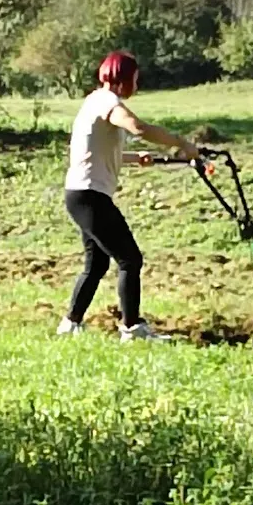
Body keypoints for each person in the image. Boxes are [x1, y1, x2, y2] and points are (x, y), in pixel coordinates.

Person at [57, 50, 199, 342]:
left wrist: (135, 158)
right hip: (90, 196)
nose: (137, 84)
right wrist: (182, 144)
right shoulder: (109, 101)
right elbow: (139, 128)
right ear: (122, 80)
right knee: (130, 259)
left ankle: (71, 324)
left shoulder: (94, 100)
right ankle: (132, 328)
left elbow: (96, 151)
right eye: (135, 78)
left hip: (79, 193)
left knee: (96, 264)